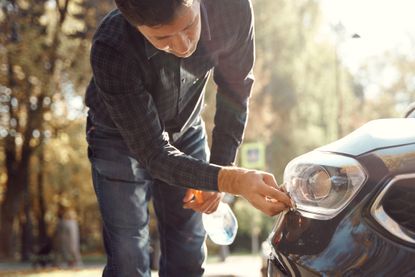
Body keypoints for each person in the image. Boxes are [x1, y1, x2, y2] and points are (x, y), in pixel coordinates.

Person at [85, 0, 292, 276]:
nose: (183, 46)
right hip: (117, 138)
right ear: (135, 25)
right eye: (162, 38)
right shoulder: (111, 47)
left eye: (189, 26)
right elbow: (154, 154)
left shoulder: (232, 9)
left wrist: (221, 167)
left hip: (186, 129)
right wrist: (233, 180)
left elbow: (235, 91)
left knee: (188, 255)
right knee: (128, 258)